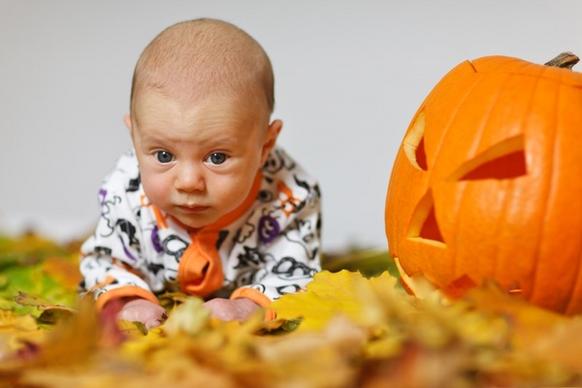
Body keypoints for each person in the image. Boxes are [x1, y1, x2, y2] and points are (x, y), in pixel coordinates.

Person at [79, 18, 321, 329]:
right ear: (135, 139)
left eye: (217, 157)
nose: (189, 182)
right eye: (164, 156)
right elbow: (103, 260)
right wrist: (128, 299)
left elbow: (299, 272)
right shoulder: (124, 190)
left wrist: (250, 306)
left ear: (265, 146)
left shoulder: (291, 197)